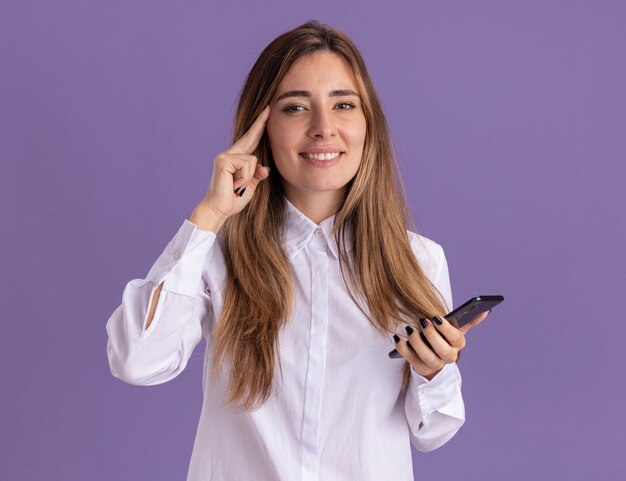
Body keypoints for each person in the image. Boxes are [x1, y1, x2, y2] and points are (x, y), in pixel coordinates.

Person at [105, 19, 491, 481]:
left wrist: (436, 372)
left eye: (343, 105)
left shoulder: (418, 260)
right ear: (262, 127)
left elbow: (434, 432)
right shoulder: (217, 253)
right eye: (295, 108)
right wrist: (209, 213)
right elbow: (136, 361)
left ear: (368, 124)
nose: (324, 129)